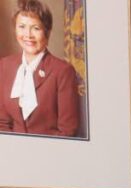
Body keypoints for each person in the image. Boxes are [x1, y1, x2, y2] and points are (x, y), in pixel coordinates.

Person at [0, 0, 79, 137]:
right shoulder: (5, 66)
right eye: (22, 26)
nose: (28, 35)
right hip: (12, 153)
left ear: (47, 32)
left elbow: (68, 131)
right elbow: (2, 123)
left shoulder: (63, 72)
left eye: (36, 28)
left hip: (49, 154)